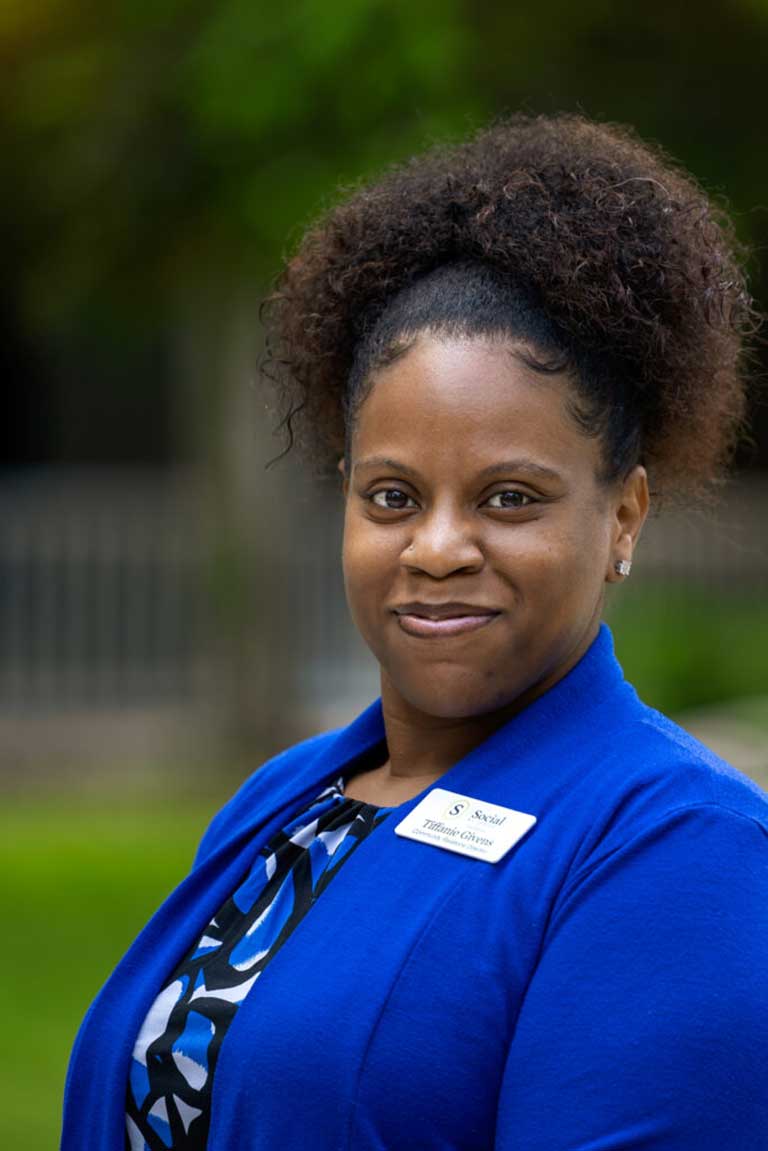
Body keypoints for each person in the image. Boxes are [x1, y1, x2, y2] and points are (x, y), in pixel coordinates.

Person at [62, 113, 768, 1151]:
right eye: (393, 494)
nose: (438, 546)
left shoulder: (677, 847)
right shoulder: (286, 799)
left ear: (623, 514)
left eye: (510, 497)